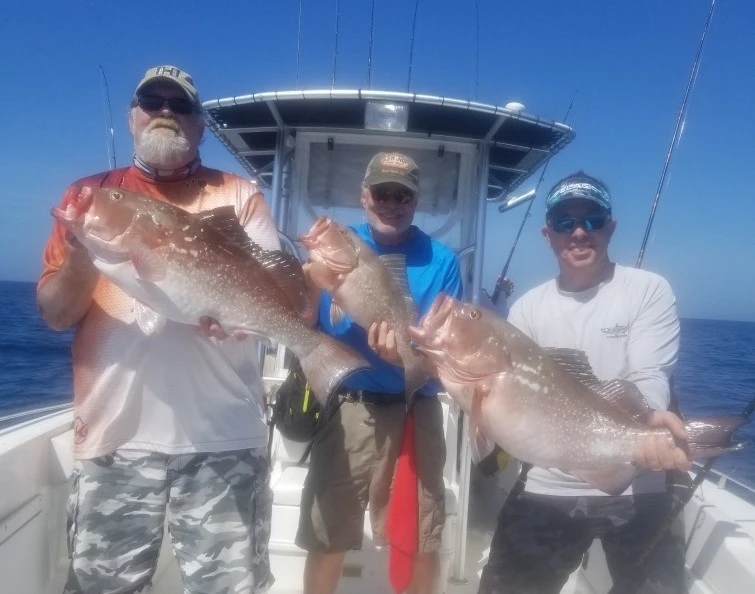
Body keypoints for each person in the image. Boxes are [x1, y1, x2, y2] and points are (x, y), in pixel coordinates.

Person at [38, 65, 278, 594]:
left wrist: (236, 315)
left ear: (200, 125)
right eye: (153, 100)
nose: (166, 110)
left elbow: (274, 299)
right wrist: (82, 259)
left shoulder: (238, 196)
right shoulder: (90, 196)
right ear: (133, 117)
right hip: (113, 440)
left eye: (182, 104)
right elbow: (55, 315)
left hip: (223, 440)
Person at [477, 171, 693, 594]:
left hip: (639, 483)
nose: (579, 231)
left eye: (591, 219)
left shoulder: (649, 290)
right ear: (548, 234)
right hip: (547, 484)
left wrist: (647, 425)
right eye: (564, 222)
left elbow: (648, 372)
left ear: (610, 226)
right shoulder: (527, 309)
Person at [296, 152, 464, 594]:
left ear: (415, 200)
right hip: (350, 406)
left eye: (402, 195)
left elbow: (442, 356)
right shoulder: (339, 249)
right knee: (328, 534)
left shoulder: (442, 260)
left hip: (416, 408)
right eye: (382, 193)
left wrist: (405, 361)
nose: (392, 202)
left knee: (421, 537)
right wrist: (309, 282)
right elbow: (305, 319)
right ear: (364, 196)